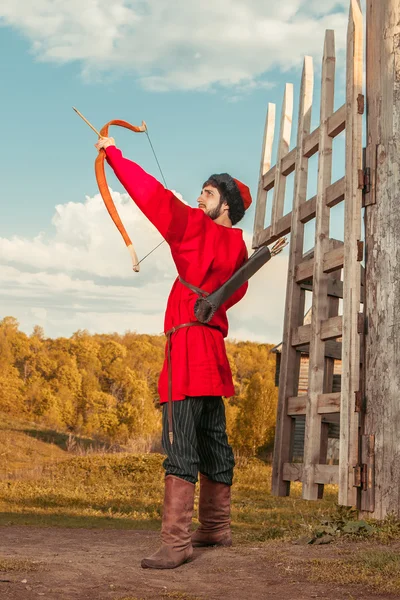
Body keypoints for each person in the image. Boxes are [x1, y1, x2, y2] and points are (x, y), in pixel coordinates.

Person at [95, 136, 252, 570]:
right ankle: (216, 528)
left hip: (187, 350)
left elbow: (152, 196)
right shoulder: (237, 247)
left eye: (209, 191)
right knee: (213, 439)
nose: (199, 195)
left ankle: (176, 543)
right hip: (212, 353)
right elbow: (236, 292)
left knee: (180, 442)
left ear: (226, 205)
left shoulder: (194, 227)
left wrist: (114, 154)